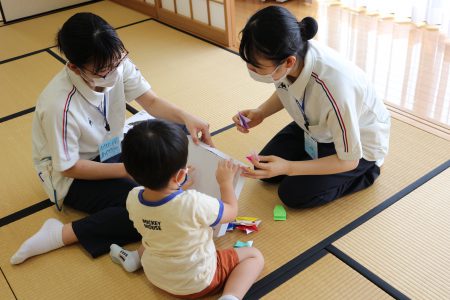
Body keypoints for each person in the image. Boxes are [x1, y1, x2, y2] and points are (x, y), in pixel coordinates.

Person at [10, 12, 213, 264]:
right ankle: (61, 234)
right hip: (74, 175)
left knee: (174, 130)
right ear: (74, 67)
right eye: (104, 69)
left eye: (118, 61)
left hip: (112, 148)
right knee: (140, 211)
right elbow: (69, 167)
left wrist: (187, 118)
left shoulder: (115, 61)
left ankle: (157, 181)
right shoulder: (59, 105)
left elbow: (150, 101)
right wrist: (128, 170)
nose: (115, 71)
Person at [233, 6, 390, 208]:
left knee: (291, 194)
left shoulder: (334, 90)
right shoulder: (290, 53)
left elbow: (348, 160)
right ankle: (312, 157)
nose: (250, 69)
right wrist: (261, 112)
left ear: (288, 62)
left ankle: (368, 172)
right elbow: (287, 88)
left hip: (358, 146)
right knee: (264, 169)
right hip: (315, 126)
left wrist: (289, 167)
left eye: (256, 67)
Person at [109, 119, 264, 300]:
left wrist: (177, 188)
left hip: (156, 274)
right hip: (198, 282)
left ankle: (135, 259)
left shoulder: (133, 197)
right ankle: (230, 297)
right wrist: (225, 183)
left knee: (156, 232)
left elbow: (165, 211)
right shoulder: (194, 203)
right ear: (181, 175)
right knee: (254, 256)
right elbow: (231, 212)